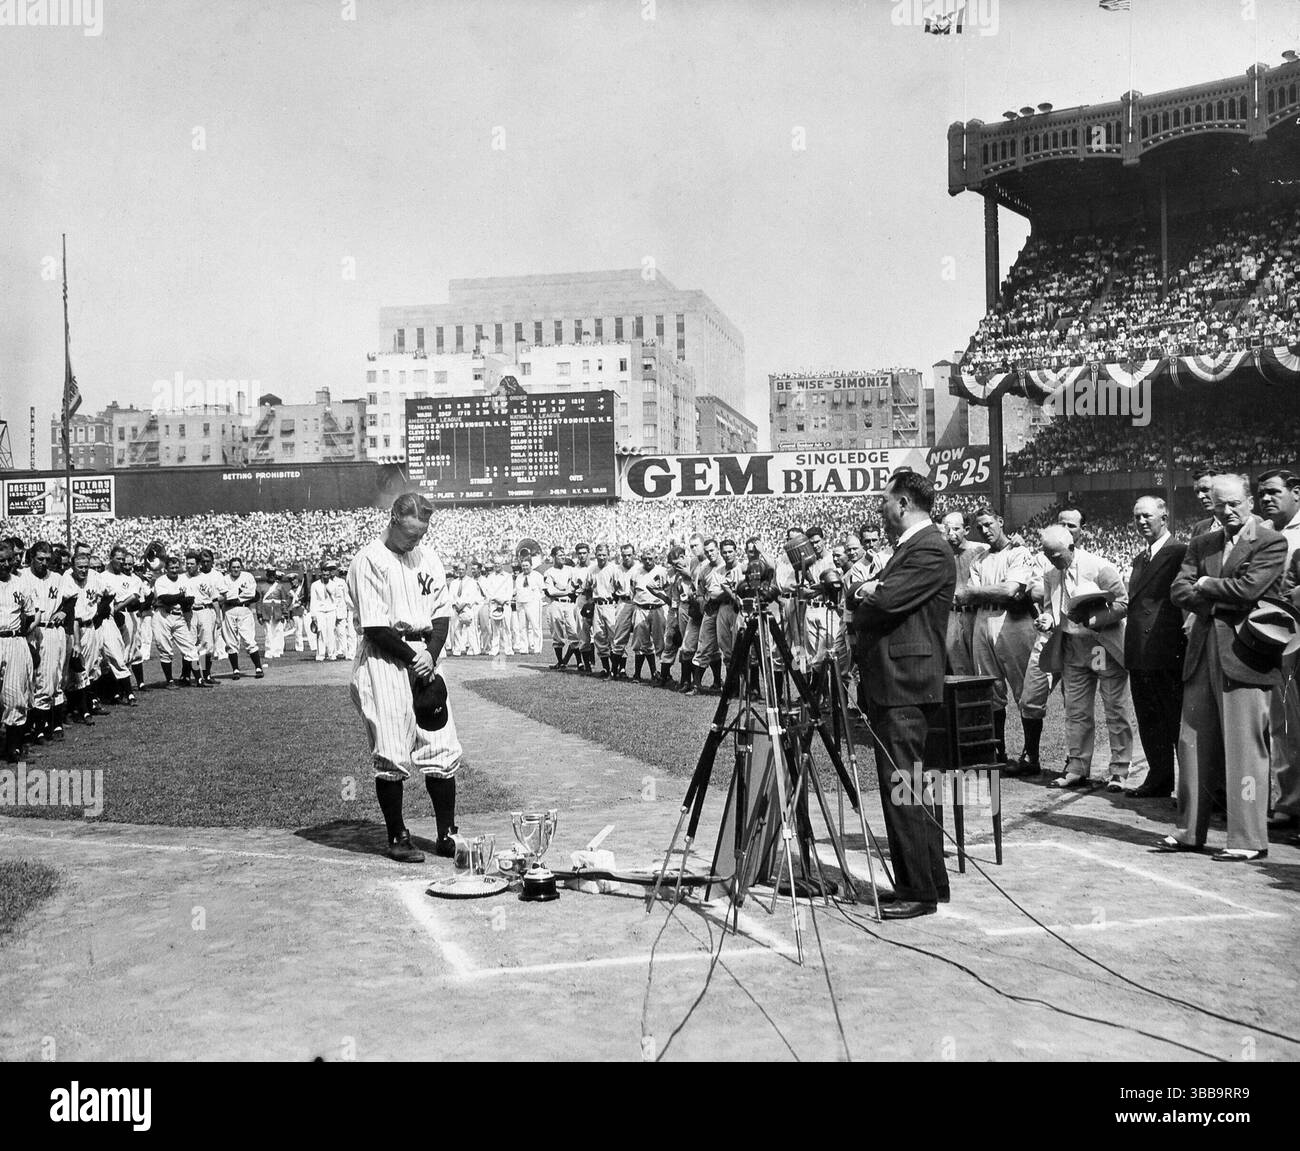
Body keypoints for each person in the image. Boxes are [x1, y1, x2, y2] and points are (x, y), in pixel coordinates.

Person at [1160, 474, 1288, 861]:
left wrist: (1204, 586)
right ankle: (1189, 832)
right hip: (1202, 651)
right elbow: (1178, 591)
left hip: (1245, 655)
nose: (1228, 511)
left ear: (1249, 500)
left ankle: (1248, 839)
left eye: (1234, 503)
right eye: (1220, 504)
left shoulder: (1270, 541)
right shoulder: (1201, 543)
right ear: (1212, 506)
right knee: (1192, 743)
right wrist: (1214, 593)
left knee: (1244, 748)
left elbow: (1251, 590)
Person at [851, 470, 954, 921]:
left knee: (904, 787)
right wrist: (868, 590)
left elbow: (886, 602)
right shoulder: (914, 547)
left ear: (905, 502)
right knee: (914, 786)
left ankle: (918, 890)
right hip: (900, 682)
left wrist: (866, 592)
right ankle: (929, 881)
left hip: (904, 684)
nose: (881, 508)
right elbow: (878, 596)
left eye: (885, 500)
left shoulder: (929, 546)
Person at [347, 493, 462, 864]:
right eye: (411, 533)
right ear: (393, 519)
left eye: (422, 534)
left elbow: (442, 614)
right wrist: (417, 658)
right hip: (386, 659)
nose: (416, 541)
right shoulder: (369, 560)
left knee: (442, 746)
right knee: (393, 750)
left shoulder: (428, 557)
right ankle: (397, 836)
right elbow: (376, 627)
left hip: (426, 656)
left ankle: (447, 834)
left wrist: (431, 655)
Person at [1032, 525, 1139, 791]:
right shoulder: (1050, 574)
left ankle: (1120, 769)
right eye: (1047, 555)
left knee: (1114, 707)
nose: (1052, 560)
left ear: (1071, 547)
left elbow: (1123, 603)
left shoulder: (1099, 566)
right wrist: (1048, 620)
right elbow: (1051, 609)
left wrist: (1091, 619)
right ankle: (1077, 766)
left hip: (1100, 646)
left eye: (1057, 555)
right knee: (1076, 711)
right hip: (1072, 648)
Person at [1124, 496, 1187, 800]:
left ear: (1164, 517)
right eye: (1137, 517)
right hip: (1139, 650)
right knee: (1149, 719)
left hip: (1165, 650)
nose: (1141, 522)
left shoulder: (1178, 552)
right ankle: (1160, 777)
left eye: (1147, 516)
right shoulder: (1140, 558)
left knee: (1174, 719)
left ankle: (1189, 784)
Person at [960, 507, 1035, 762]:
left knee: (1024, 689)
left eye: (989, 523)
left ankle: (1030, 753)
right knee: (989, 689)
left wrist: (978, 593)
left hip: (1012, 620)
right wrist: (983, 593)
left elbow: (1009, 590)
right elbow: (975, 594)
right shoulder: (979, 559)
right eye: (979, 527)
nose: (985, 530)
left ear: (1000, 521)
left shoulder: (1019, 551)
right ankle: (996, 750)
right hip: (983, 619)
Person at [1256, 469, 1300, 832]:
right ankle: (1289, 802)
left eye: (1273, 492)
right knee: (1283, 724)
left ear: (1295, 493)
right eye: (1261, 494)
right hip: (1278, 639)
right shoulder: (1265, 534)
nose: (1266, 499)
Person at [939, 511, 986, 677]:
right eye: (947, 529)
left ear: (966, 529)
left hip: (976, 613)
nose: (951, 534)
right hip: (951, 615)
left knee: (983, 665)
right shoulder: (941, 554)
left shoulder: (980, 550)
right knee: (958, 666)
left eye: (956, 529)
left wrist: (1016, 542)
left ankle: (991, 703)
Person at [0, 541, 35, 763]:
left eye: (8, 559)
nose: (5, 564)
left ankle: (13, 747)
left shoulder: (21, 584)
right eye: (0, 560)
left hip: (13, 640)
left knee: (14, 696)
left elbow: (30, 615)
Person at [153, 554, 199, 687]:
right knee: (166, 650)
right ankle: (169, 680)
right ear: (166, 569)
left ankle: (199, 678)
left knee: (191, 647)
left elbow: (190, 599)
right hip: (163, 616)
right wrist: (180, 597)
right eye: (171, 568)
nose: (174, 570)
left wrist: (180, 599)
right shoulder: (161, 581)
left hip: (179, 616)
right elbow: (165, 599)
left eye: (176, 567)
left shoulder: (183, 580)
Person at [221, 556, 264, 679]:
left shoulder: (247, 577)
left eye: (238, 567)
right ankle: (235, 669)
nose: (236, 569)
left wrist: (236, 597)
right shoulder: (224, 579)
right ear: (229, 568)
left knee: (249, 639)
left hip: (245, 609)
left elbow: (252, 594)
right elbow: (224, 596)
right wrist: (236, 596)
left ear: (241, 567)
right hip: (229, 610)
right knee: (230, 642)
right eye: (233, 567)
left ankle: (258, 667)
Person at [309, 562, 338, 661]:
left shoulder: (334, 585)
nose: (325, 576)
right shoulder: (315, 585)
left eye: (327, 575)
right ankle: (320, 654)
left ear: (330, 575)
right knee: (320, 633)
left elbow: (337, 599)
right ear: (321, 573)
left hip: (331, 611)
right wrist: (313, 615)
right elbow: (313, 600)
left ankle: (331, 654)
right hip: (320, 611)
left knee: (331, 633)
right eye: (324, 574)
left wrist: (337, 611)